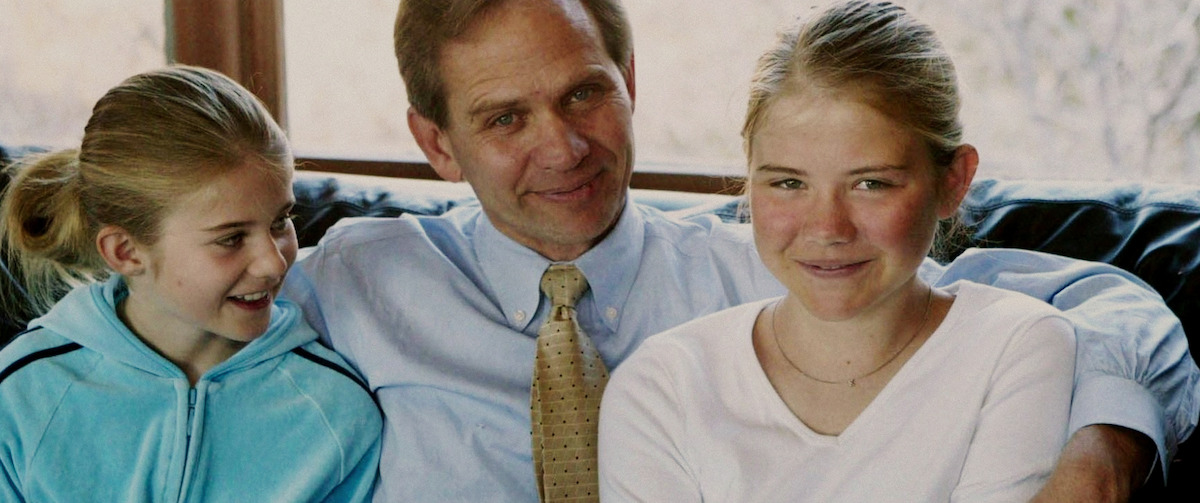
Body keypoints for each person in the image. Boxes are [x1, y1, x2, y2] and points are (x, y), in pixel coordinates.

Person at [282, 0, 1198, 500]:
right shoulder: (358, 279)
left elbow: (1105, 298)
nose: (563, 148)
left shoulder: (781, 258)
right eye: (504, 118)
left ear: (631, 83)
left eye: (583, 95)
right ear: (436, 143)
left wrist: (1104, 447)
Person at [598, 2, 1076, 500]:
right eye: (788, 182)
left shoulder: (1015, 348)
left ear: (953, 181)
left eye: (871, 183)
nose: (827, 228)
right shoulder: (662, 388)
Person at [0, 66, 381, 502]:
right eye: (231, 239)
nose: (274, 264)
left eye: (281, 222)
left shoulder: (335, 410)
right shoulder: (24, 395)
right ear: (126, 251)